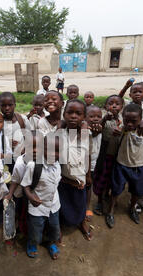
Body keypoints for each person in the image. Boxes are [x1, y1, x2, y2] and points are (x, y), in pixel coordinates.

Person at [58, 99, 93, 241]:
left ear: (84, 117)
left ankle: (82, 221)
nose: (73, 116)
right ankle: (58, 226)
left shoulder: (86, 134)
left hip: (80, 177)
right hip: (63, 177)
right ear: (64, 114)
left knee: (80, 202)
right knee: (62, 203)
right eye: (70, 112)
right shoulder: (60, 133)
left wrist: (88, 174)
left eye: (78, 113)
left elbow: (88, 155)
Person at [22, 133, 61, 260]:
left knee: (54, 227)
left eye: (57, 151)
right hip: (37, 207)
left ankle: (51, 243)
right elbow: (25, 186)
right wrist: (30, 197)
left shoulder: (58, 165)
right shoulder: (33, 166)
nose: (53, 154)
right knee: (35, 230)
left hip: (54, 205)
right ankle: (32, 244)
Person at [93, 95, 124, 215]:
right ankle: (99, 200)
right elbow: (97, 129)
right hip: (105, 155)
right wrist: (105, 119)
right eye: (111, 103)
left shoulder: (123, 119)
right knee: (101, 177)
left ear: (122, 107)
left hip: (118, 155)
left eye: (117, 104)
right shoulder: (104, 118)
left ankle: (107, 195)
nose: (114, 105)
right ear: (106, 106)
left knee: (112, 179)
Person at [0, 92, 31, 172]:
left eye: (10, 105)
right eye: (3, 105)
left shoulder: (22, 119)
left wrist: (25, 148)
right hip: (6, 159)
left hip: (21, 157)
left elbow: (29, 137)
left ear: (15, 105)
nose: (7, 108)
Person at [85, 105, 102, 220]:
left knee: (89, 187)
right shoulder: (82, 130)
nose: (95, 119)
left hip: (94, 165)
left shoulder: (102, 128)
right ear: (85, 118)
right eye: (91, 116)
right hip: (82, 165)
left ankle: (87, 207)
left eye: (98, 116)